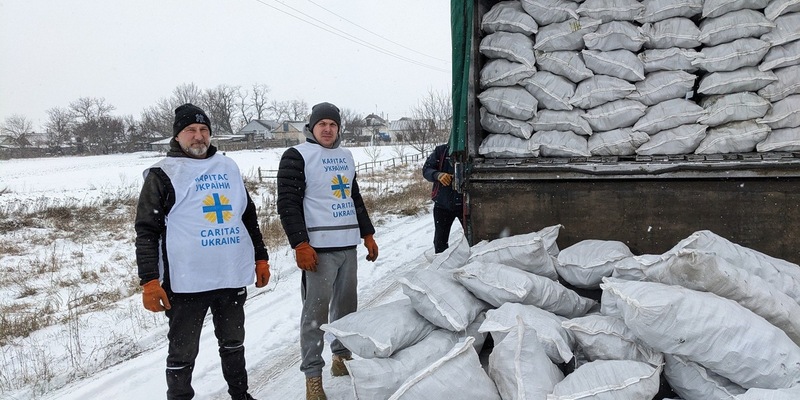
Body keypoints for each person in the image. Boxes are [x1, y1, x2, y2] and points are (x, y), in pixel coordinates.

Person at [135, 103, 271, 400]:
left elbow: (247, 216)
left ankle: (241, 395)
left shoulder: (227, 167)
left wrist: (261, 257)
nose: (198, 136)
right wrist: (149, 281)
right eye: (190, 130)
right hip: (186, 282)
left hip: (229, 275)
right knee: (182, 352)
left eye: (204, 130)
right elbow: (147, 230)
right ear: (177, 136)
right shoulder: (163, 173)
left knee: (233, 343)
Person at [276, 102, 379, 400]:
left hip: (347, 245)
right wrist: (300, 243)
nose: (327, 129)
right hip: (317, 250)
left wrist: (367, 234)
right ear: (311, 127)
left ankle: (341, 356)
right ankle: (312, 376)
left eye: (333, 124)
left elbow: (353, 197)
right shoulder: (297, 156)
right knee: (315, 315)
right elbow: (288, 203)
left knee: (346, 309)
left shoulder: (346, 156)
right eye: (322, 124)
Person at [422, 143, 464, 254]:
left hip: (467, 205)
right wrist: (437, 175)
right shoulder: (441, 151)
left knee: (474, 240)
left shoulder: (473, 150)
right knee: (440, 242)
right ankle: (441, 263)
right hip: (443, 204)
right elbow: (426, 169)